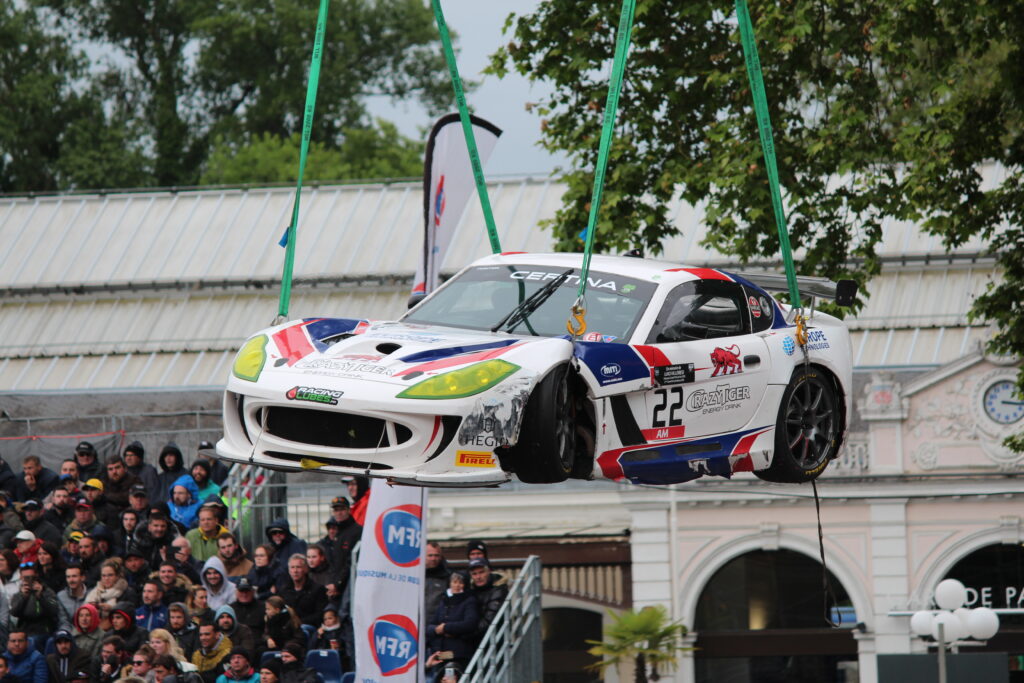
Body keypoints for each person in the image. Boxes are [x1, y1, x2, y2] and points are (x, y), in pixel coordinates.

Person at [426, 571, 479, 674]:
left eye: (460, 583)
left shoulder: (470, 601)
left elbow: (470, 623)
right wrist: (437, 630)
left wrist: (446, 628)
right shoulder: (444, 600)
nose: (457, 585)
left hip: (458, 653)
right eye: (454, 582)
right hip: (440, 653)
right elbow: (430, 625)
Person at [10, 561, 60, 641]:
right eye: (25, 578)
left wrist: (40, 597)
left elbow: (54, 611)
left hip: (45, 631)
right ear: (21, 578)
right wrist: (24, 597)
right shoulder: (19, 594)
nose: (29, 580)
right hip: (25, 632)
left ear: (36, 576)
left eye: (31, 577)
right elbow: (14, 612)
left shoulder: (47, 591)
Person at [275, 554, 326, 626]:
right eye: (292, 567)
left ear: (306, 569)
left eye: (298, 567)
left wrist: (299, 622)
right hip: (287, 628)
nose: (295, 571)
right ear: (289, 570)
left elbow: (319, 615)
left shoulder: (318, 589)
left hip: (308, 627)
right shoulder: (284, 590)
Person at [467, 558, 508, 642]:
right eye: (474, 574)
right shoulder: (470, 590)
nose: (478, 577)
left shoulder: (498, 589)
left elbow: (490, 619)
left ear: (488, 571)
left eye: (481, 572)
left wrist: (466, 634)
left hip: (494, 638)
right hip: (475, 637)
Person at [424, 541, 451, 623]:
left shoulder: (448, 577)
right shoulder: (416, 575)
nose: (433, 559)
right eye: (430, 555)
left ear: (441, 557)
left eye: (436, 555)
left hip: (437, 626)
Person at [58, 564, 89, 631]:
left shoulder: (92, 594)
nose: (71, 580)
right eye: (68, 577)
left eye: (74, 576)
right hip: (70, 634)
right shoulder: (61, 596)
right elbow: (63, 621)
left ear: (83, 577)